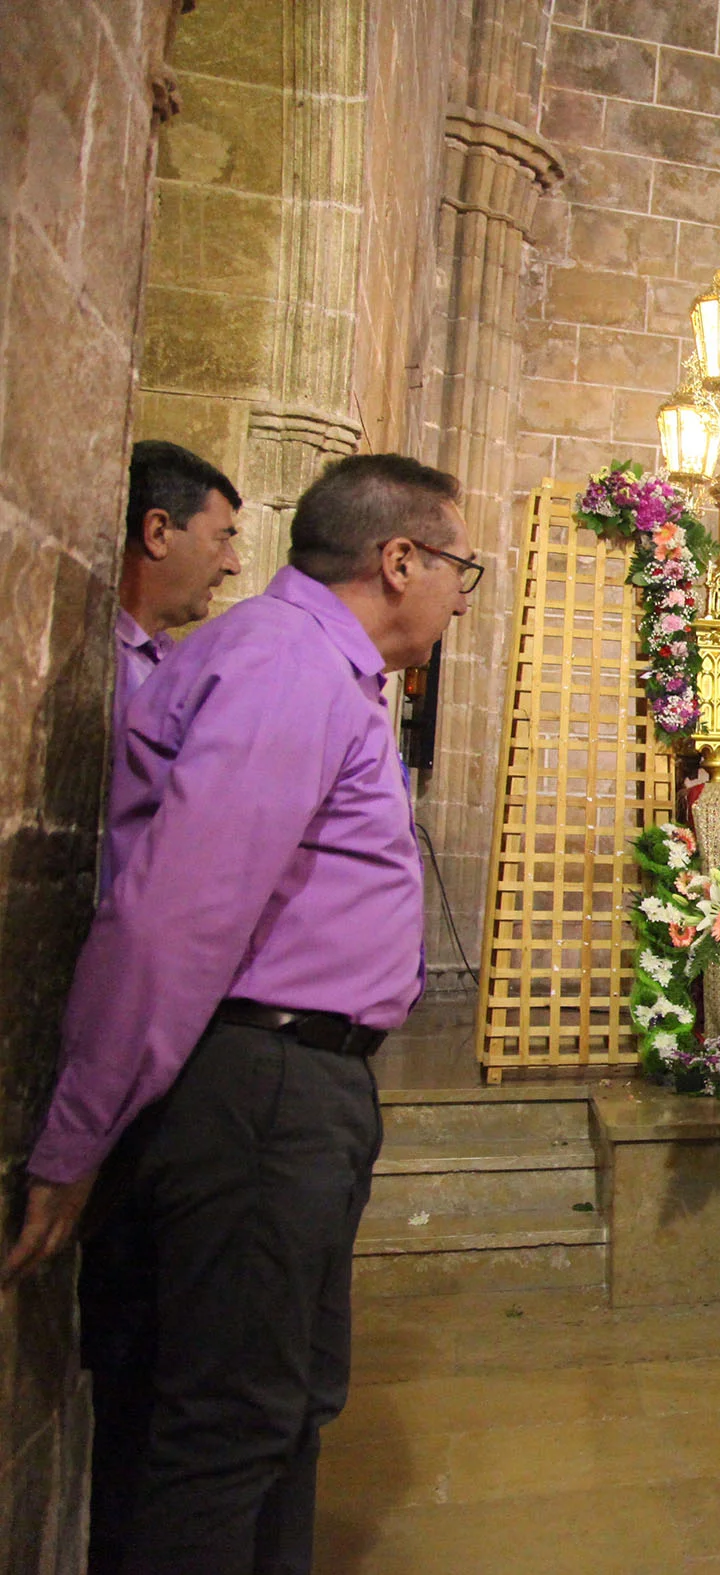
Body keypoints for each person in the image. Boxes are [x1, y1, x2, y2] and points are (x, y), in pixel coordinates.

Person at [0, 452, 473, 1574]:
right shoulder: (289, 665)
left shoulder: (307, 663)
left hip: (278, 1081)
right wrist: (78, 1138)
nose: (463, 592)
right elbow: (178, 913)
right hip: (257, 1087)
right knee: (224, 1430)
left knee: (265, 1413)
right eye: (462, 566)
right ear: (397, 560)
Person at [113, 439, 242, 742]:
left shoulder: (173, 662)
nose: (233, 564)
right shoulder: (97, 659)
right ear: (158, 533)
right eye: (221, 540)